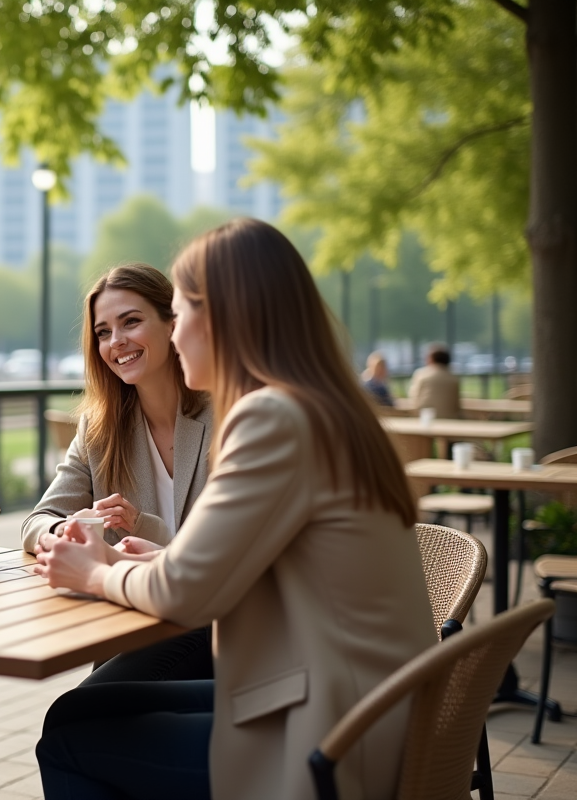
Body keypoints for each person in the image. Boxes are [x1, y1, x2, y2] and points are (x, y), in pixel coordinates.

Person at [32, 218, 436, 800]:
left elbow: (188, 594)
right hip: (364, 705)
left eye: (185, 311)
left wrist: (96, 571)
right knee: (77, 715)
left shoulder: (269, 417)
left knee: (68, 740)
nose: (176, 332)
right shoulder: (319, 408)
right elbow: (225, 571)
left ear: (225, 317)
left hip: (333, 736)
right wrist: (161, 561)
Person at [22, 263, 214, 684]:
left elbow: (220, 561)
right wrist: (68, 532)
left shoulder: (225, 416)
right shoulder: (100, 428)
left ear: (172, 324)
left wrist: (141, 526)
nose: (117, 342)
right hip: (135, 622)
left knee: (77, 722)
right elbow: (36, 523)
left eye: (131, 322)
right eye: (103, 331)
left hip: (215, 629)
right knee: (74, 720)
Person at [409, 343, 462, 418]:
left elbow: (414, 397)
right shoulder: (454, 377)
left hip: (425, 417)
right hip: (449, 417)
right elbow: (456, 404)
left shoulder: (421, 374)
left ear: (431, 359)